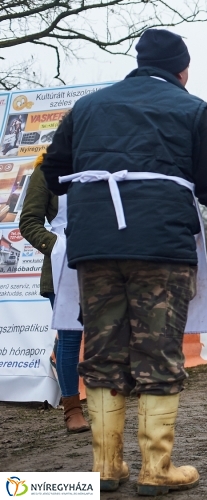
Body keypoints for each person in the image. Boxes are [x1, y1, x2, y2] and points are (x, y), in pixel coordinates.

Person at [41, 29, 207, 494]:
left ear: (137, 62)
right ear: (183, 71)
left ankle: (106, 467)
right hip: (159, 247)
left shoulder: (88, 107)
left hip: (94, 246)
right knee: (157, 351)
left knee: (104, 351)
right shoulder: (191, 108)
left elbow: (52, 171)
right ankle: (156, 469)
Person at [19, 152, 90, 434]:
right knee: (72, 334)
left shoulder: (98, 166)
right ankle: (72, 408)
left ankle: (58, 355)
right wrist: (57, 246)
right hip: (62, 263)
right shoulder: (46, 170)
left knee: (97, 331)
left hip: (100, 257)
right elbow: (28, 222)